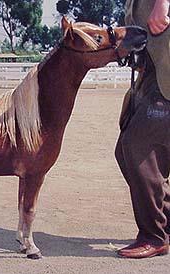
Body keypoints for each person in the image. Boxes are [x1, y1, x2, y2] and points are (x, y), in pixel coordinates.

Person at [115, 0, 170, 259]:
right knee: (125, 149)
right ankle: (165, 221)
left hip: (167, 81)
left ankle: (154, 236)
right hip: (150, 76)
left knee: (138, 147)